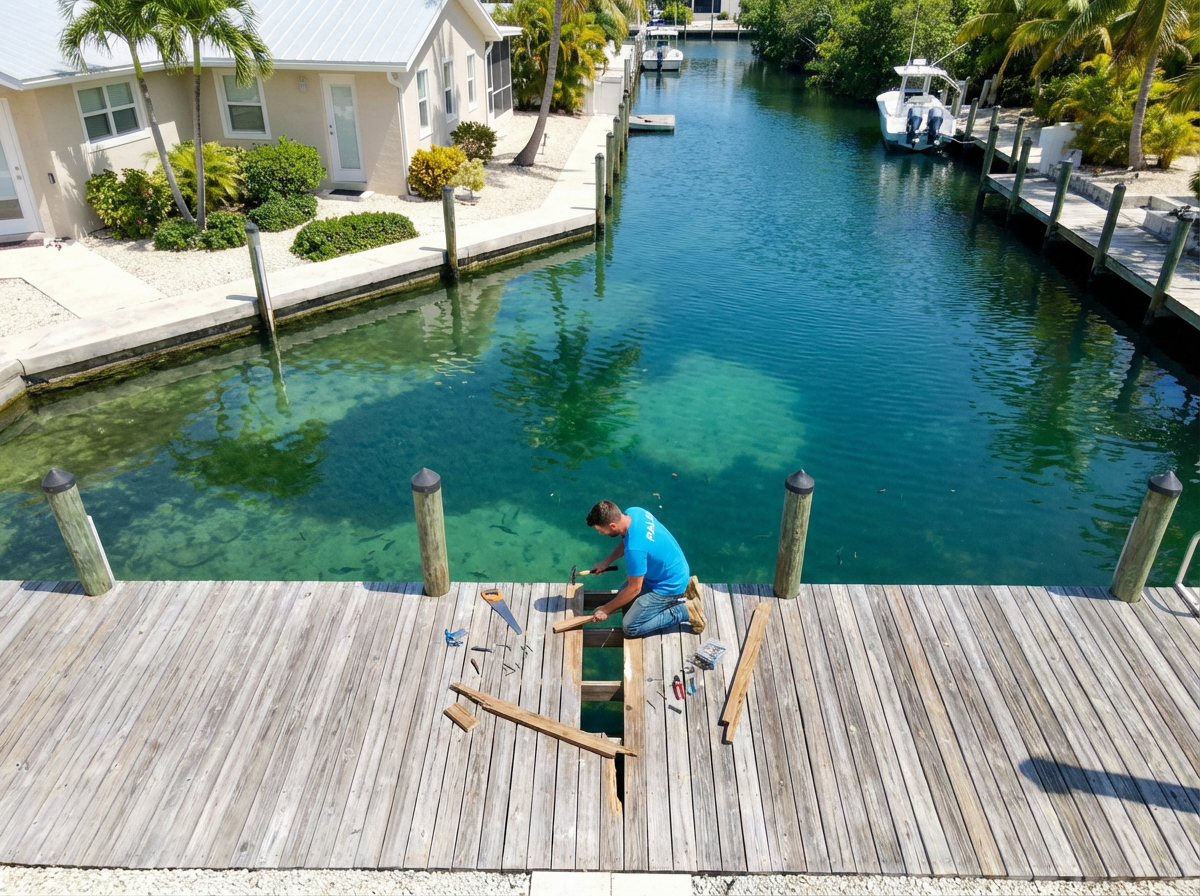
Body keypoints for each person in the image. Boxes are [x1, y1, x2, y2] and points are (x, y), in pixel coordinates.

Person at [585, 500, 706, 637]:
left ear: (612, 526)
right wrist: (606, 562)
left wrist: (606, 610)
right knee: (622, 596)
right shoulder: (635, 512)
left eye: (600, 530)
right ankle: (687, 587)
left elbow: (634, 588)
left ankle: (686, 611)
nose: (601, 533)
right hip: (676, 569)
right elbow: (627, 541)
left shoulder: (635, 550)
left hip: (667, 586)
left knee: (630, 626)